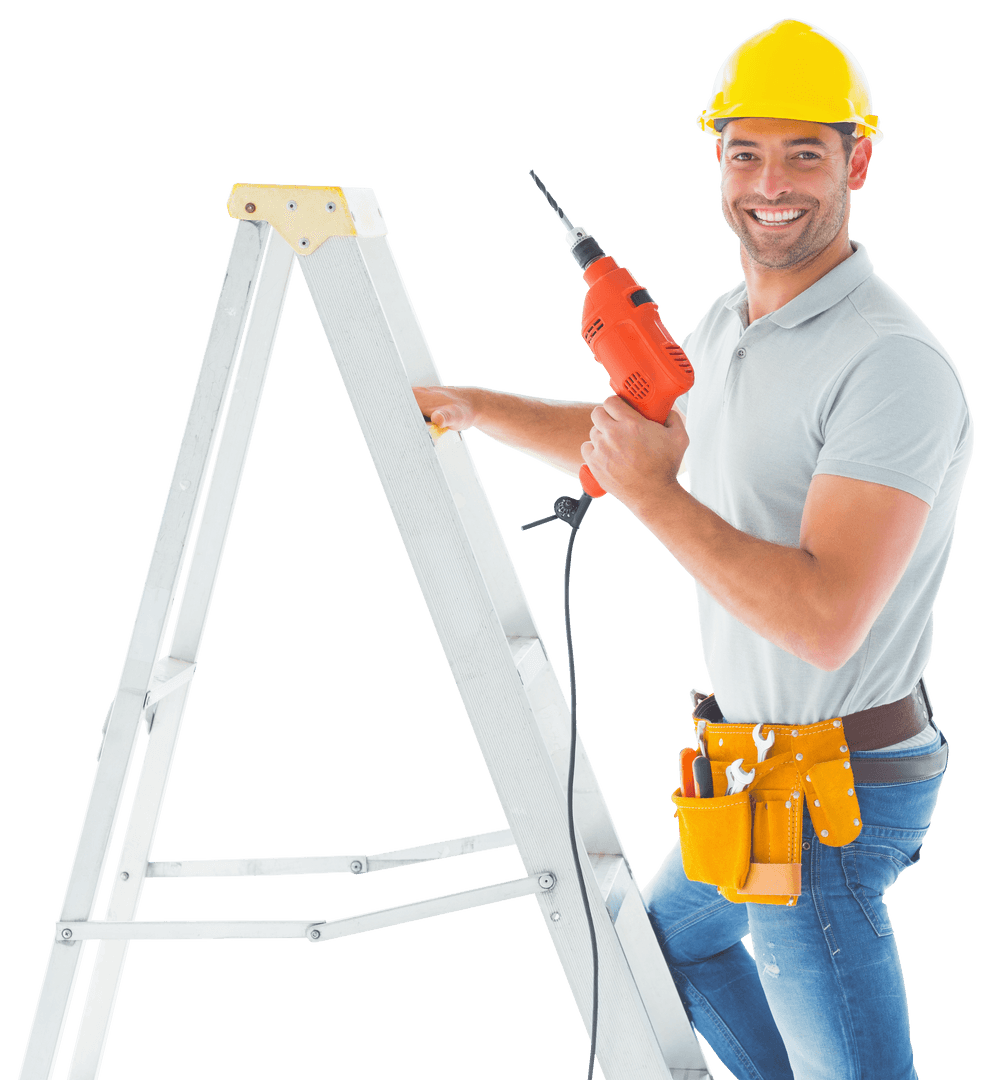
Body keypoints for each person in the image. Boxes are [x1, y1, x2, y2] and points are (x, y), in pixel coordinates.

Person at [413, 18, 972, 1080]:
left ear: (856, 159)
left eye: (804, 151)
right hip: (755, 777)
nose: (770, 182)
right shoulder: (724, 329)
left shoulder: (890, 364)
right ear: (715, 160)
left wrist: (652, 496)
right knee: (663, 954)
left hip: (831, 795)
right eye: (743, 150)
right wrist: (479, 407)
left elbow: (820, 621)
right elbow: (642, 436)